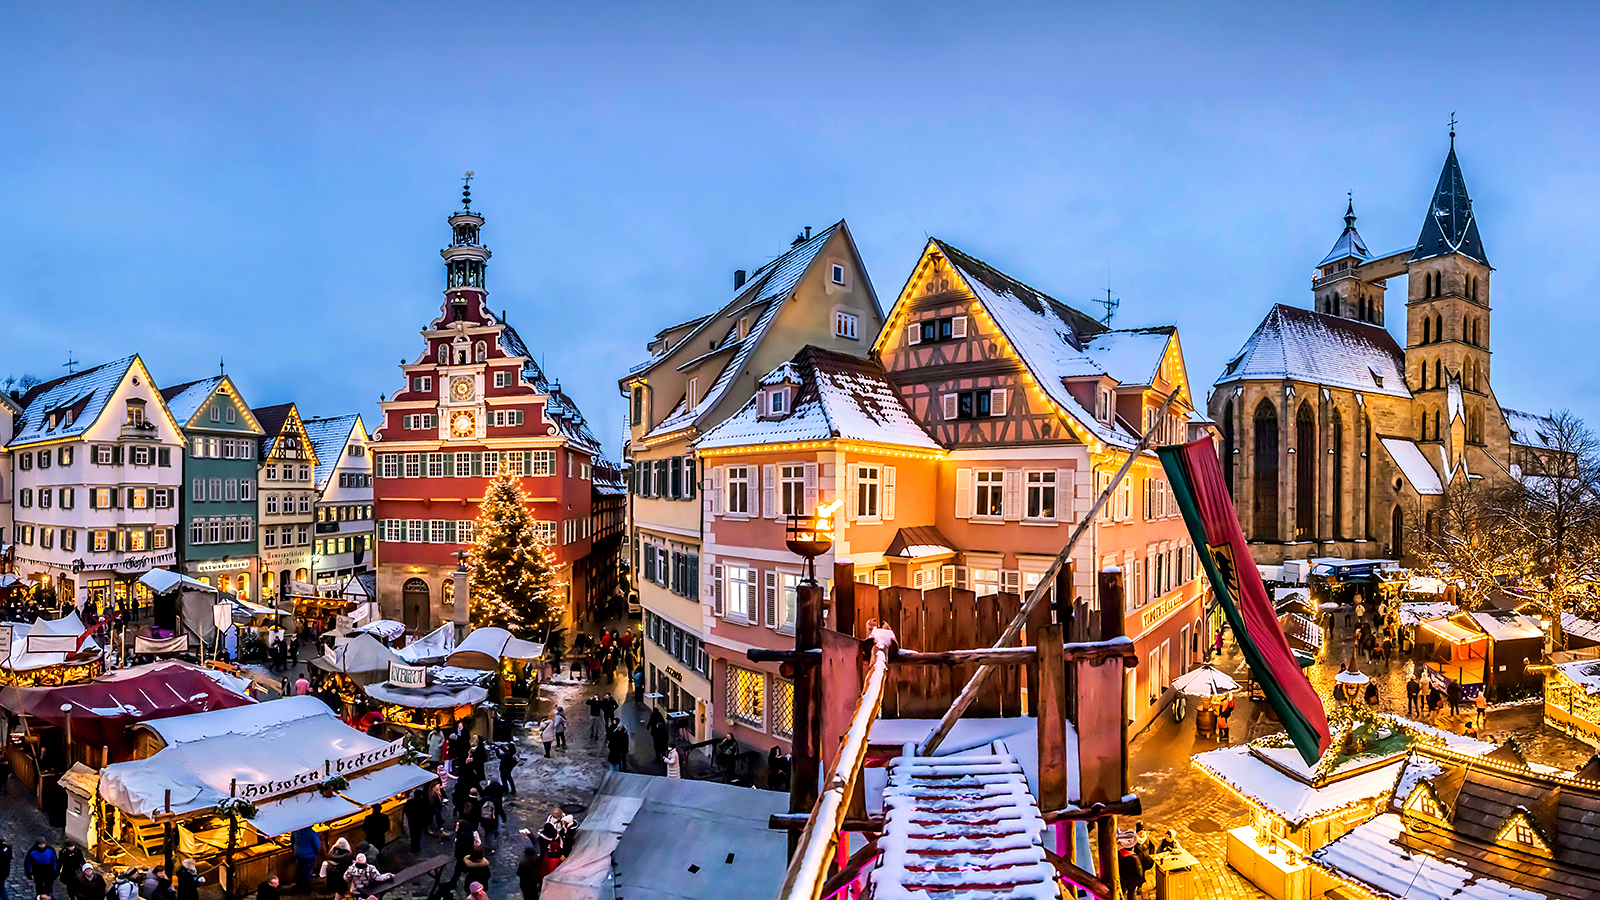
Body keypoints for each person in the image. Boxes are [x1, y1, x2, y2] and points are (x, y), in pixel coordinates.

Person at [405, 788, 432, 854]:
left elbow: (406, 811)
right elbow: (427, 812)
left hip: (412, 821)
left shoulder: (410, 802)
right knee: (418, 835)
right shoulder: (423, 802)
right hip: (420, 821)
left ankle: (413, 846)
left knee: (412, 834)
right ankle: (417, 846)